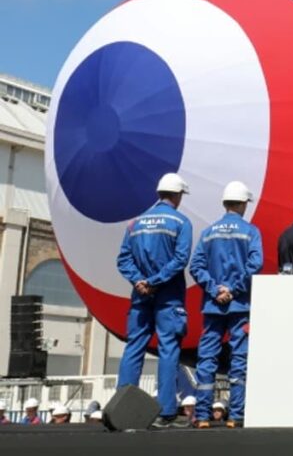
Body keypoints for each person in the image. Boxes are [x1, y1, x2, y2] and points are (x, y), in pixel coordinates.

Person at [116, 172, 193, 428]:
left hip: (140, 295)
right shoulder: (181, 222)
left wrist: (140, 281)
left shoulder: (135, 223)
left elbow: (123, 259)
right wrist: (156, 281)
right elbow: (180, 260)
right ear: (178, 195)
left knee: (134, 346)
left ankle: (121, 408)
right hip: (168, 296)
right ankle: (166, 411)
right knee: (168, 349)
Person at [190, 181, 264, 429]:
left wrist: (215, 289)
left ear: (224, 203)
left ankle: (202, 416)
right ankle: (235, 416)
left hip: (213, 307)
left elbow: (196, 266)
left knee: (206, 359)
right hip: (240, 306)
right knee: (239, 359)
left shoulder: (208, 232)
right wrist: (233, 290)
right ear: (243, 204)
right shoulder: (250, 232)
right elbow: (255, 264)